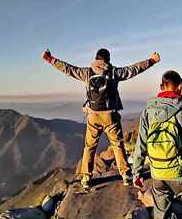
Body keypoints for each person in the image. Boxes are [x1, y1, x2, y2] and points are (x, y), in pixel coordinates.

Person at [42, 48, 161, 188]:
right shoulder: (114, 72)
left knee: (89, 146)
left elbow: (68, 69)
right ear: (108, 60)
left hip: (93, 115)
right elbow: (133, 69)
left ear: (96, 59)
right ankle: (126, 175)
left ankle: (86, 178)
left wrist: (51, 59)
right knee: (117, 145)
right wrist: (151, 61)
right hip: (110, 115)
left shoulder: (86, 72)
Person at [132, 70, 182, 219]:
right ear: (178, 87)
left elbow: (141, 145)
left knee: (161, 214)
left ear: (161, 86)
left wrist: (136, 173)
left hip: (158, 174)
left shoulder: (147, 111)